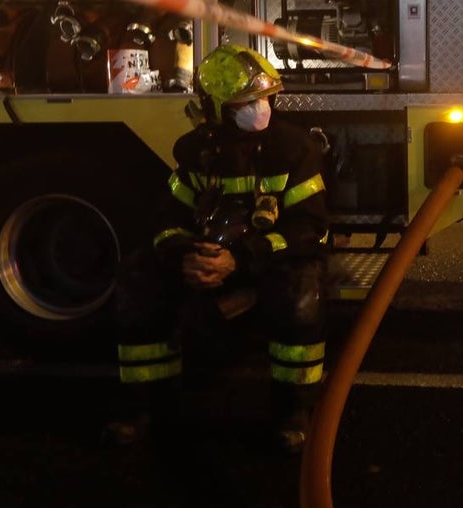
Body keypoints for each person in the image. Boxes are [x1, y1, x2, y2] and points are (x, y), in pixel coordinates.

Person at [105, 44, 335, 451]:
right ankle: (144, 407)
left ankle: (293, 410)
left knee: (301, 296)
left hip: (267, 259)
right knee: (138, 282)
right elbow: (167, 219)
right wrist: (184, 255)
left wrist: (243, 258)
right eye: (247, 102)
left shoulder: (294, 150)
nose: (260, 109)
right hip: (209, 258)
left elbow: (311, 229)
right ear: (216, 107)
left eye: (266, 98)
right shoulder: (196, 153)